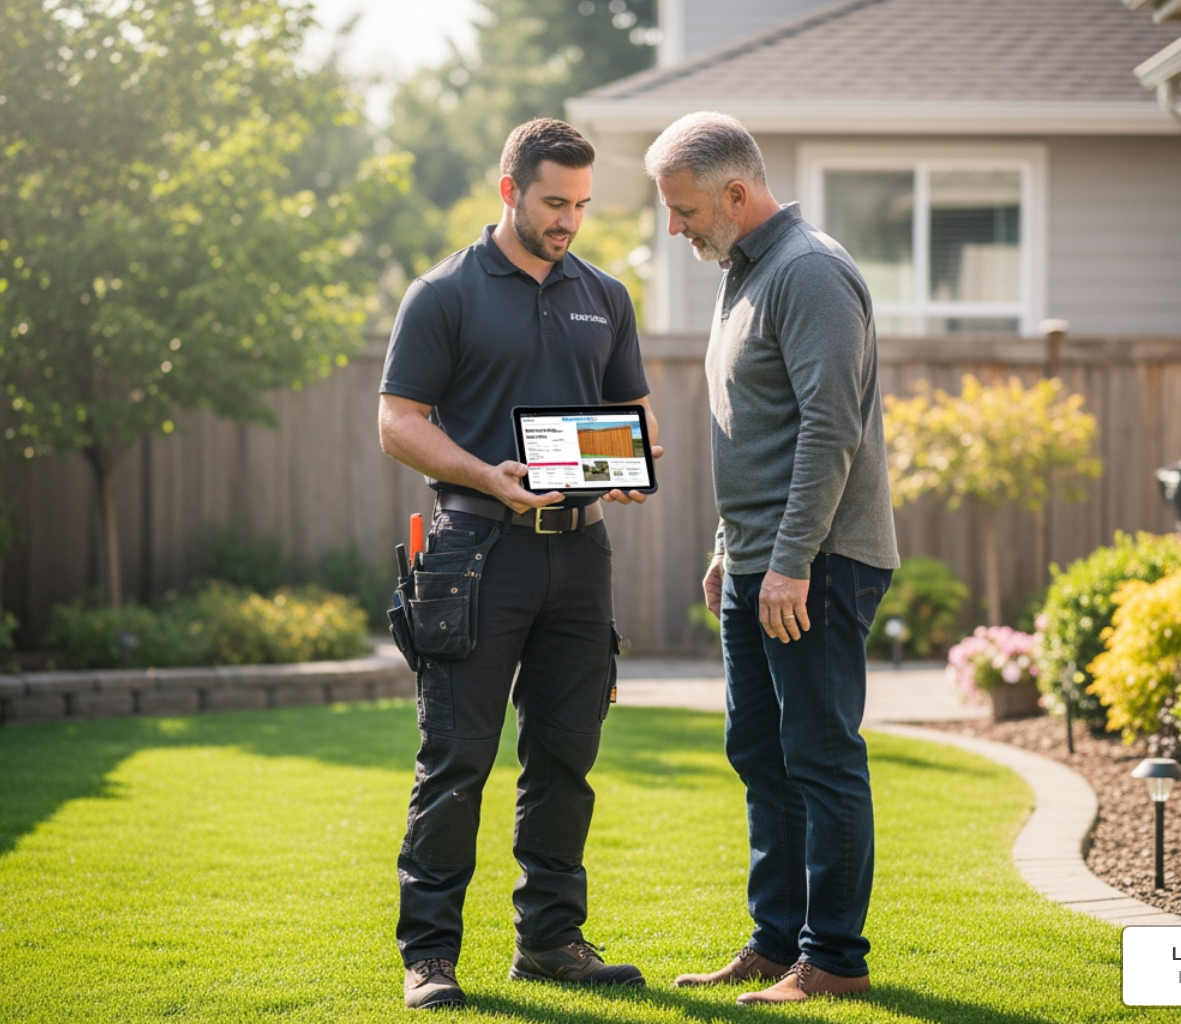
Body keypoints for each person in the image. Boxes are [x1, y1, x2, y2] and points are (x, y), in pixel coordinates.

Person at [378, 117, 659, 1011]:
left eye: (581, 204)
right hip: (473, 554)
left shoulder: (606, 295)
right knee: (457, 757)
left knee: (565, 758)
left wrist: (628, 470)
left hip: (581, 556)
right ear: (509, 191)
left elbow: (634, 413)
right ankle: (430, 956)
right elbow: (399, 424)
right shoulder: (445, 293)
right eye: (553, 202)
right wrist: (485, 477)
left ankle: (550, 941)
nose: (570, 219)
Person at [643, 111, 899, 1005]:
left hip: (818, 562)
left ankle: (833, 960)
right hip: (760, 561)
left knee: (820, 756)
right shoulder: (746, 274)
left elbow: (830, 429)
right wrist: (731, 547)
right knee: (760, 750)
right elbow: (755, 427)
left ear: (736, 195)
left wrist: (787, 561)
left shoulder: (810, 273)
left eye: (683, 211)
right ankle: (774, 940)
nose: (675, 229)